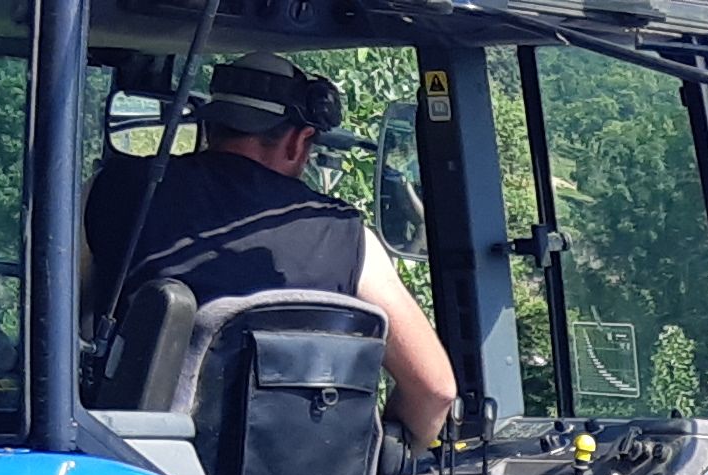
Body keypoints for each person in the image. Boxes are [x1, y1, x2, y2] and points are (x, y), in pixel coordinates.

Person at [85, 54, 460, 445]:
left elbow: (56, 322)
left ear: (211, 127)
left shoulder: (113, 192)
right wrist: (378, 465)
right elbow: (435, 390)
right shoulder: (348, 237)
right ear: (300, 142)